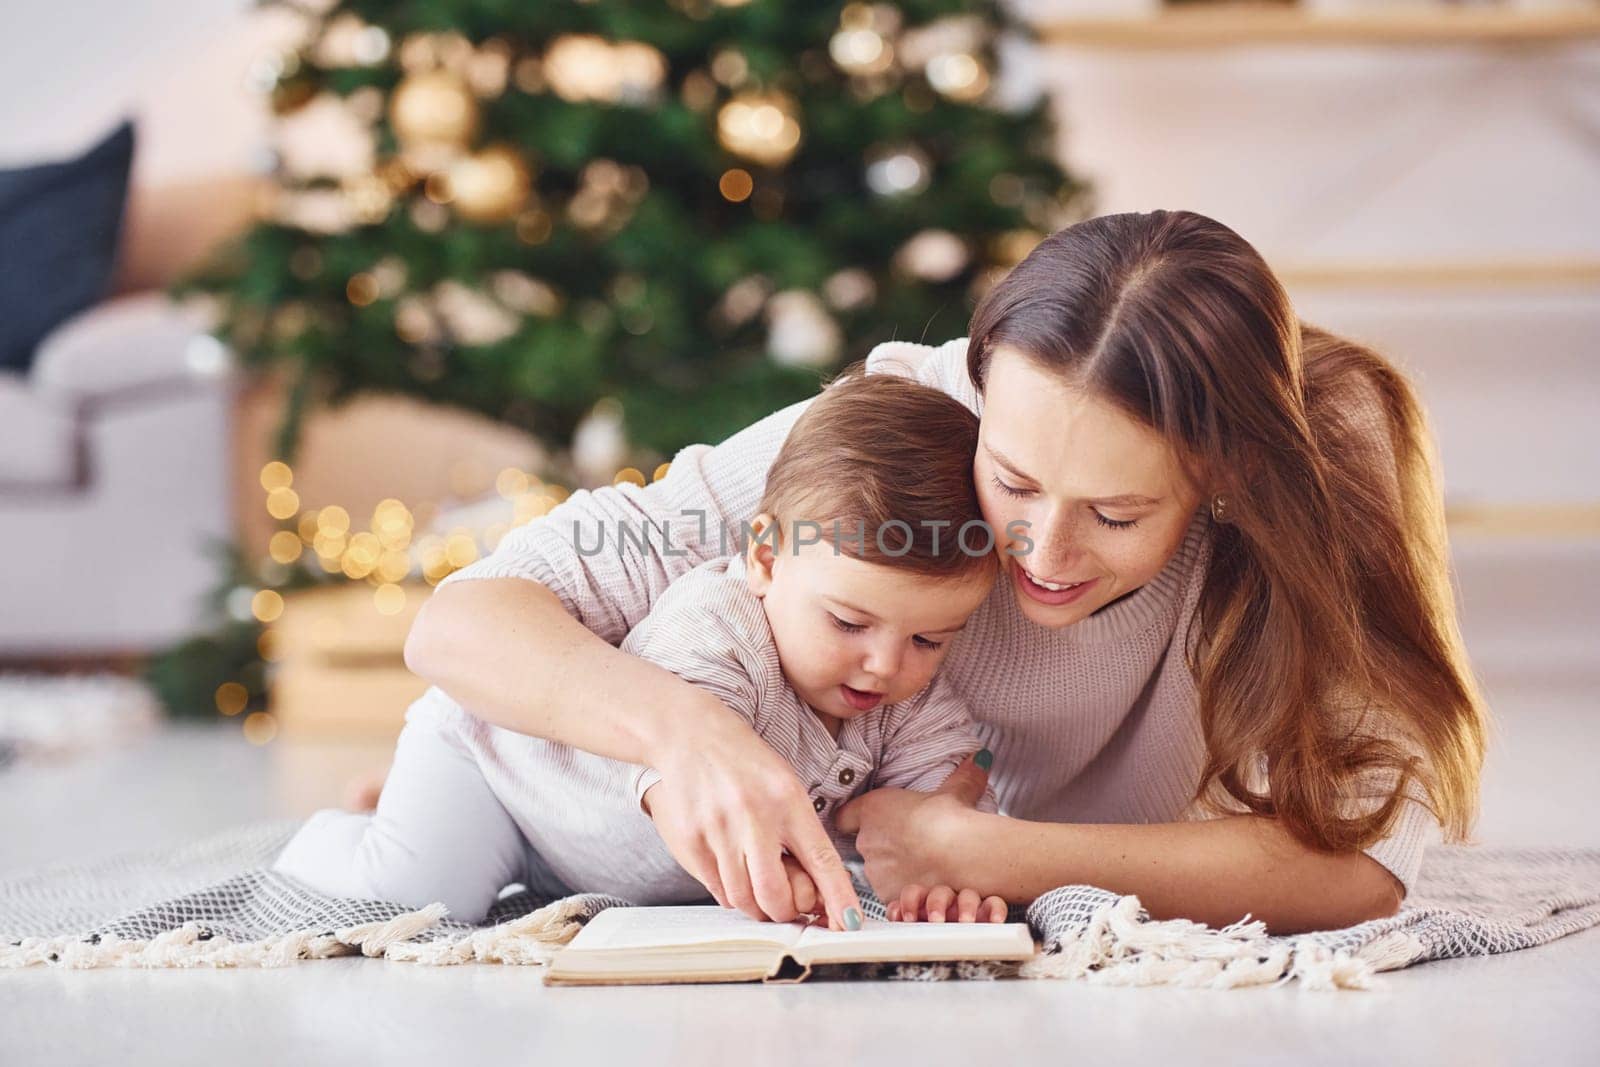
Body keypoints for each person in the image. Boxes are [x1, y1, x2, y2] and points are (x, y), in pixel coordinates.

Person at [405, 210, 1489, 935]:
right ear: (977, 389)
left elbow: (1362, 866)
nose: (1042, 551)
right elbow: (462, 622)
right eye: (1011, 482)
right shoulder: (903, 433)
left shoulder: (1314, 472)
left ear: (1223, 477)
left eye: (1115, 512)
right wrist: (689, 733)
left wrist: (994, 853)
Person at [274, 374, 1006, 927]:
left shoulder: (911, 701)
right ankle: (334, 836)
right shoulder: (716, 629)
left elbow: (944, 817)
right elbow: (709, 810)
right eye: (849, 623)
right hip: (504, 776)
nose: (886, 663)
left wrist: (944, 873)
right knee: (416, 897)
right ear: (767, 561)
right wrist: (809, 886)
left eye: (928, 638)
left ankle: (393, 798)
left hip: (591, 855)